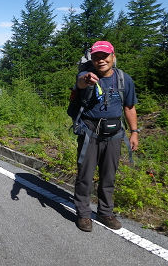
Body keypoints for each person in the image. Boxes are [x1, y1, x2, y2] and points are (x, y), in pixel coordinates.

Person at [73, 41, 139, 232]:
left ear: (113, 56)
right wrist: (85, 80)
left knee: (109, 175)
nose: (100, 60)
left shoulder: (124, 79)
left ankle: (105, 211)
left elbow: (129, 107)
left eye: (104, 56)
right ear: (91, 59)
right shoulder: (86, 75)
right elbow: (80, 83)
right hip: (90, 133)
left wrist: (134, 132)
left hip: (114, 134)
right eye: (96, 57)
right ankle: (84, 214)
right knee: (85, 175)